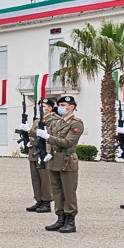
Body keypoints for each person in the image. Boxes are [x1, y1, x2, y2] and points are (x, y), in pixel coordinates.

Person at [39, 94, 82, 234]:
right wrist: (48, 153)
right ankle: (60, 217)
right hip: (55, 159)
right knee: (57, 191)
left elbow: (68, 142)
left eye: (63, 106)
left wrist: (48, 137)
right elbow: (52, 141)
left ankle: (70, 220)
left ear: (72, 107)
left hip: (67, 159)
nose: (61, 108)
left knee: (68, 191)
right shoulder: (58, 122)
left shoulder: (76, 123)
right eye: (60, 105)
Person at [24, 97, 54, 213]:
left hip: (43, 151)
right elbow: (33, 134)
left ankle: (46, 201)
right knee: (35, 178)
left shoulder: (52, 120)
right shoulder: (37, 121)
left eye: (43, 107)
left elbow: (47, 136)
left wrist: (48, 152)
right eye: (40, 106)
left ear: (50, 109)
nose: (41, 108)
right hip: (34, 151)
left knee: (45, 178)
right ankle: (39, 200)